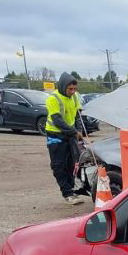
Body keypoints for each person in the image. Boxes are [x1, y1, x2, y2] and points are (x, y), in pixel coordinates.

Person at [44, 72, 88, 205]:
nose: (73, 92)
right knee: (59, 165)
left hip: (70, 134)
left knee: (72, 163)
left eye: (75, 89)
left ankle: (72, 189)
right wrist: (74, 131)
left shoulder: (74, 98)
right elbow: (57, 121)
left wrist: (79, 129)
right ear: (63, 87)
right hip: (55, 135)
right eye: (70, 89)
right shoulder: (53, 99)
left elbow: (77, 116)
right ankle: (67, 193)